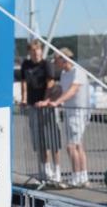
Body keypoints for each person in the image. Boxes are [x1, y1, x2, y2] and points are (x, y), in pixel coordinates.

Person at [38, 48, 89, 187]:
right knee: (78, 145)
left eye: (57, 59)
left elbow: (73, 90)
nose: (55, 62)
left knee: (70, 146)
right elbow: (61, 90)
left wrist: (57, 102)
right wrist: (48, 101)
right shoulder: (64, 73)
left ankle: (76, 177)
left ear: (64, 59)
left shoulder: (77, 71)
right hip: (69, 112)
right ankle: (82, 177)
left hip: (78, 112)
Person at [21, 40, 61, 183]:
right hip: (33, 105)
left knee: (52, 139)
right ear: (29, 52)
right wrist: (24, 98)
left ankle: (57, 171)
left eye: (38, 52)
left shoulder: (46, 64)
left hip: (46, 106)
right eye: (33, 52)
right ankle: (45, 171)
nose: (36, 54)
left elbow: (50, 84)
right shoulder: (26, 65)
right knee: (39, 141)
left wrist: (45, 101)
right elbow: (24, 82)